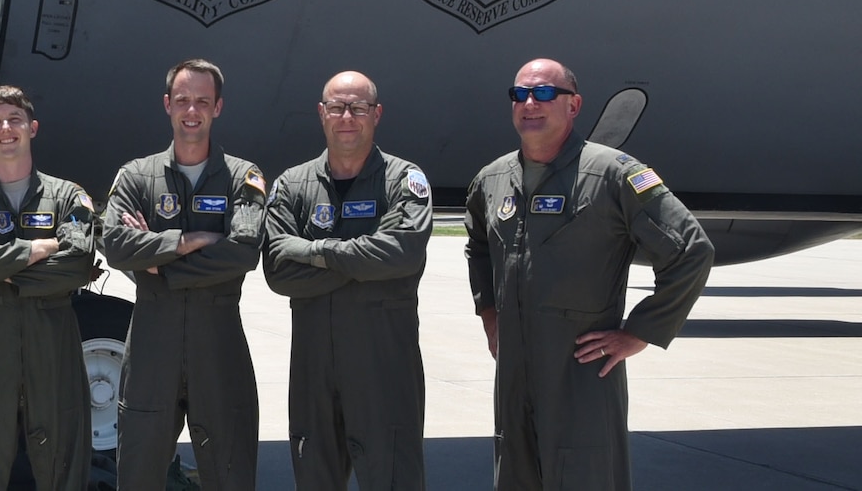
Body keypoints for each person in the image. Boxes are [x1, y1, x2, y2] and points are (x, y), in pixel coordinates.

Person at [466, 58, 714, 491]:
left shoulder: (613, 174)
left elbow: (691, 250)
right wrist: (488, 311)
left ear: (574, 104)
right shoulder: (493, 178)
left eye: (544, 93)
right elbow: (479, 245)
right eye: (519, 94)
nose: (529, 103)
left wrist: (640, 331)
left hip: (582, 369)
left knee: (586, 476)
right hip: (513, 372)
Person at [100, 58, 268, 491]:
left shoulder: (242, 178)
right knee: (139, 468)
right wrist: (187, 241)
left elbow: (243, 251)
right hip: (154, 338)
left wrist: (156, 260)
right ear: (167, 105)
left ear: (218, 108)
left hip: (219, 338)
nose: (191, 110)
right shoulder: (137, 176)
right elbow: (115, 244)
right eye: (182, 100)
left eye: (202, 101)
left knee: (231, 470)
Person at [262, 71, 431, 490]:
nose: (347, 117)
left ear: (377, 114)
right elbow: (278, 270)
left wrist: (314, 251)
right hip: (313, 366)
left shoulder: (403, 180)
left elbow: (400, 254)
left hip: (384, 363)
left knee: (394, 477)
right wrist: (361, 264)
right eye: (337, 107)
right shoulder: (293, 184)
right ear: (322, 113)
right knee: (314, 475)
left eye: (358, 107)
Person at [0, 85, 100, 491]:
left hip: (53, 346)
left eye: (14, 119)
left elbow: (78, 264)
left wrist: (0, 265)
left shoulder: (68, 197)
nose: (5, 128)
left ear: (32, 128)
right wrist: (40, 249)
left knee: (64, 463)